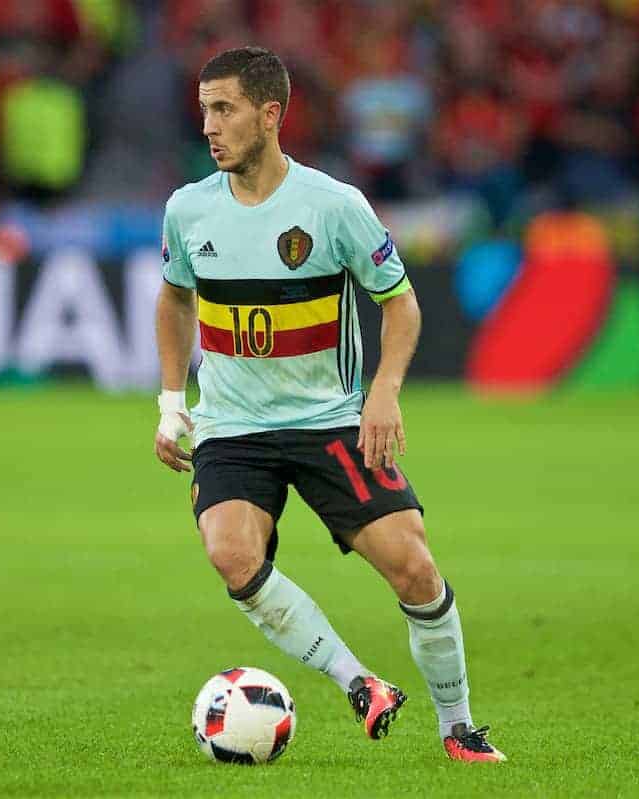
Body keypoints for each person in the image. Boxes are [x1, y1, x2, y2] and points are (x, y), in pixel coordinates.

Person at [153, 46, 505, 764]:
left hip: (329, 420)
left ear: (270, 114)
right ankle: (358, 682)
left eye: (225, 110)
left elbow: (400, 305)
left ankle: (460, 728)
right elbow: (175, 297)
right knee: (230, 553)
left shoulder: (333, 206)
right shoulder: (188, 210)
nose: (210, 127)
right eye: (204, 112)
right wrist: (169, 400)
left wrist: (383, 393)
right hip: (233, 427)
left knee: (412, 567)